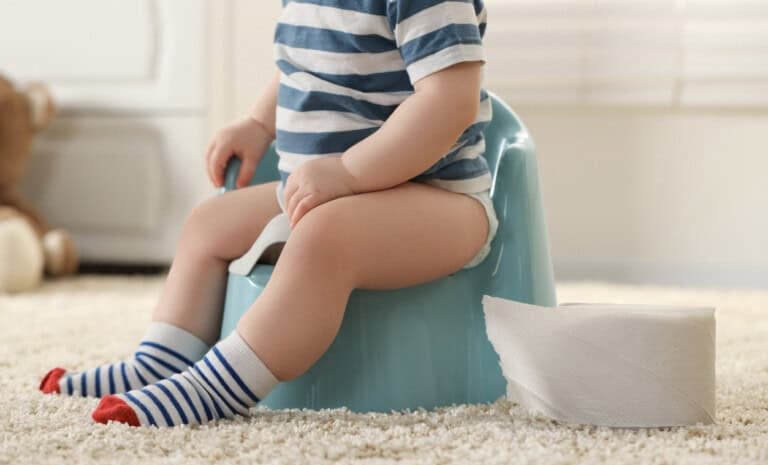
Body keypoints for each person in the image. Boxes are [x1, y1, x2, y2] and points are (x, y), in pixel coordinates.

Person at [39, 0, 499, 427]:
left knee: (325, 236)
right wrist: (258, 124)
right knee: (209, 222)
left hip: (438, 199)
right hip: (327, 191)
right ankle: (162, 359)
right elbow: (300, 67)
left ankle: (217, 386)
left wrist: (350, 171)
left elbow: (448, 102)